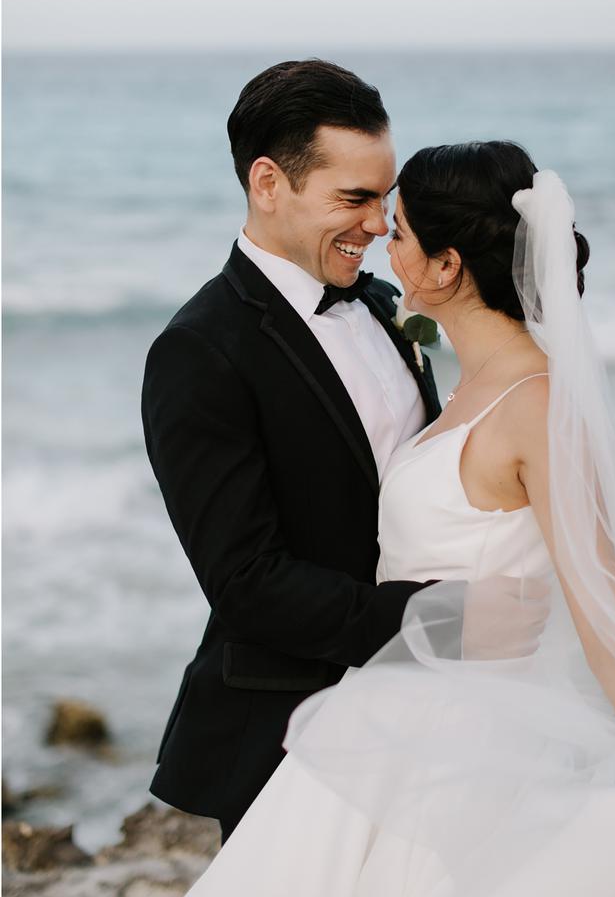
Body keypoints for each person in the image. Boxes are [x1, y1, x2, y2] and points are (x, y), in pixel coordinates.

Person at [134, 144, 615, 897]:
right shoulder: (461, 374)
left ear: (446, 266)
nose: (380, 238)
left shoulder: (536, 403)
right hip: (392, 712)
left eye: (399, 228)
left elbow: (600, 590)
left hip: (471, 733)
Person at [140, 60, 440, 841]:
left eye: (385, 196)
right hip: (290, 731)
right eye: (355, 199)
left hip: (432, 711)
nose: (380, 225)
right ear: (268, 183)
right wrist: (439, 618)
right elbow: (246, 579)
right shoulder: (199, 350)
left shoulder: (381, 305)